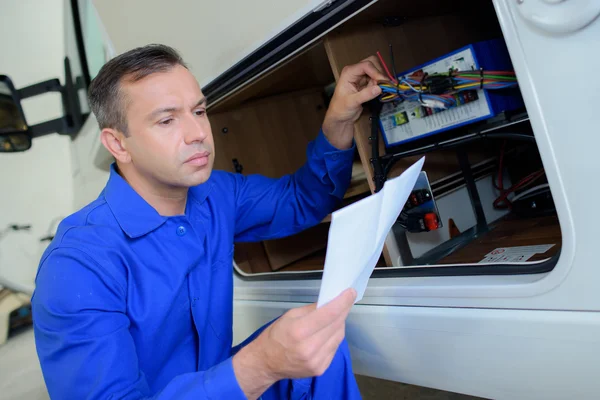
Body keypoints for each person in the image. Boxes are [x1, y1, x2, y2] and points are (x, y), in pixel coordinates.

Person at [31, 44, 387, 399]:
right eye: (167, 120)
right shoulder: (77, 265)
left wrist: (338, 119)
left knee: (319, 350)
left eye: (199, 111)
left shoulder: (215, 193)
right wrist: (258, 366)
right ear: (118, 144)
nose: (198, 132)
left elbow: (303, 199)